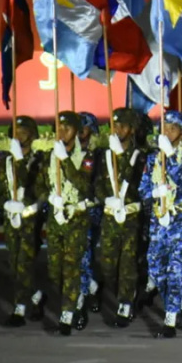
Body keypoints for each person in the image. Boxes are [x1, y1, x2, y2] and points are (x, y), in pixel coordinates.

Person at [141, 111, 182, 337]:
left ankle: (171, 317)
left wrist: (170, 157)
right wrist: (153, 192)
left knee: (176, 268)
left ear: (181, 132)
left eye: (172, 128)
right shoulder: (153, 159)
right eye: (164, 127)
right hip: (159, 220)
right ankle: (178, 303)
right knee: (156, 268)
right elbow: (143, 189)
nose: (167, 132)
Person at [40, 111, 95, 336]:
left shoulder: (87, 157)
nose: (62, 132)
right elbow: (41, 185)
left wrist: (66, 161)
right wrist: (50, 198)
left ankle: (68, 312)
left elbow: (84, 184)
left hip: (76, 218)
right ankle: (75, 299)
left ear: (76, 131)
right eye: (59, 128)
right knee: (55, 270)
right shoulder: (49, 157)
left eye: (67, 128)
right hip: (55, 218)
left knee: (71, 266)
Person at [0, 116, 47, 326]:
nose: (20, 135)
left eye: (24, 132)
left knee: (24, 263)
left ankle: (20, 308)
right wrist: (5, 204)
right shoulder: (6, 162)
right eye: (17, 132)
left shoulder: (39, 161)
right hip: (11, 219)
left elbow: (41, 188)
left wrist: (33, 207)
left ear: (32, 136)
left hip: (30, 218)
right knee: (14, 264)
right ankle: (36, 297)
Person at [96, 108, 148, 328]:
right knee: (108, 264)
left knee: (128, 263)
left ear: (132, 129)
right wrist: (105, 199)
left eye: (123, 126)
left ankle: (125, 302)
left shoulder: (140, 156)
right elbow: (97, 183)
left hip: (131, 216)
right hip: (110, 216)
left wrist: (123, 157)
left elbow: (136, 182)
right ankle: (124, 291)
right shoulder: (105, 155)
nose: (118, 130)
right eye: (115, 126)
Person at [77, 111, 103, 313]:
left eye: (83, 127)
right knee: (79, 253)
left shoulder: (99, 155)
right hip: (73, 210)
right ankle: (90, 287)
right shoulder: (67, 152)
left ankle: (84, 292)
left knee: (85, 251)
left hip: (92, 209)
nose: (79, 132)